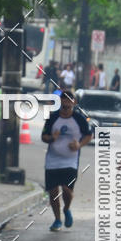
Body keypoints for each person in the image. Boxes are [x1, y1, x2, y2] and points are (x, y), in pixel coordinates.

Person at [41, 90, 93, 231]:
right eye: (63, 106)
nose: (65, 109)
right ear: (60, 103)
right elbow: (44, 136)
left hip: (70, 161)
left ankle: (67, 209)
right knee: (53, 192)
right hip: (52, 160)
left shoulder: (79, 119)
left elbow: (89, 135)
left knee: (67, 190)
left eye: (68, 106)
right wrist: (52, 138)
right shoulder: (52, 118)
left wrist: (79, 145)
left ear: (73, 103)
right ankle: (57, 220)